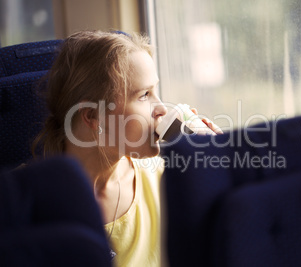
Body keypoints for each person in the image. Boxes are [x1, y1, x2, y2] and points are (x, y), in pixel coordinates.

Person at [32, 30, 221, 266]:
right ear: (93, 115)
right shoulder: (26, 204)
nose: (162, 108)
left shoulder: (168, 178)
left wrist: (216, 175)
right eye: (144, 95)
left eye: (155, 91)